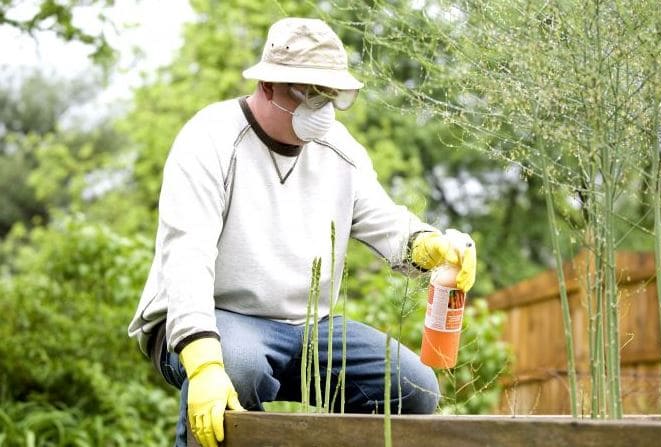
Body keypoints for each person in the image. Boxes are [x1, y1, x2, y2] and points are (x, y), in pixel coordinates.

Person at [128, 17, 476, 447]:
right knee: (239, 366)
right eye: (308, 93)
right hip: (214, 321)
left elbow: (384, 220)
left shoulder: (339, 148)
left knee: (411, 387)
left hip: (309, 328)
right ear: (268, 85)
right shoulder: (211, 138)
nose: (321, 109)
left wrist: (430, 246)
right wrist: (202, 362)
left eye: (330, 95)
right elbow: (186, 257)